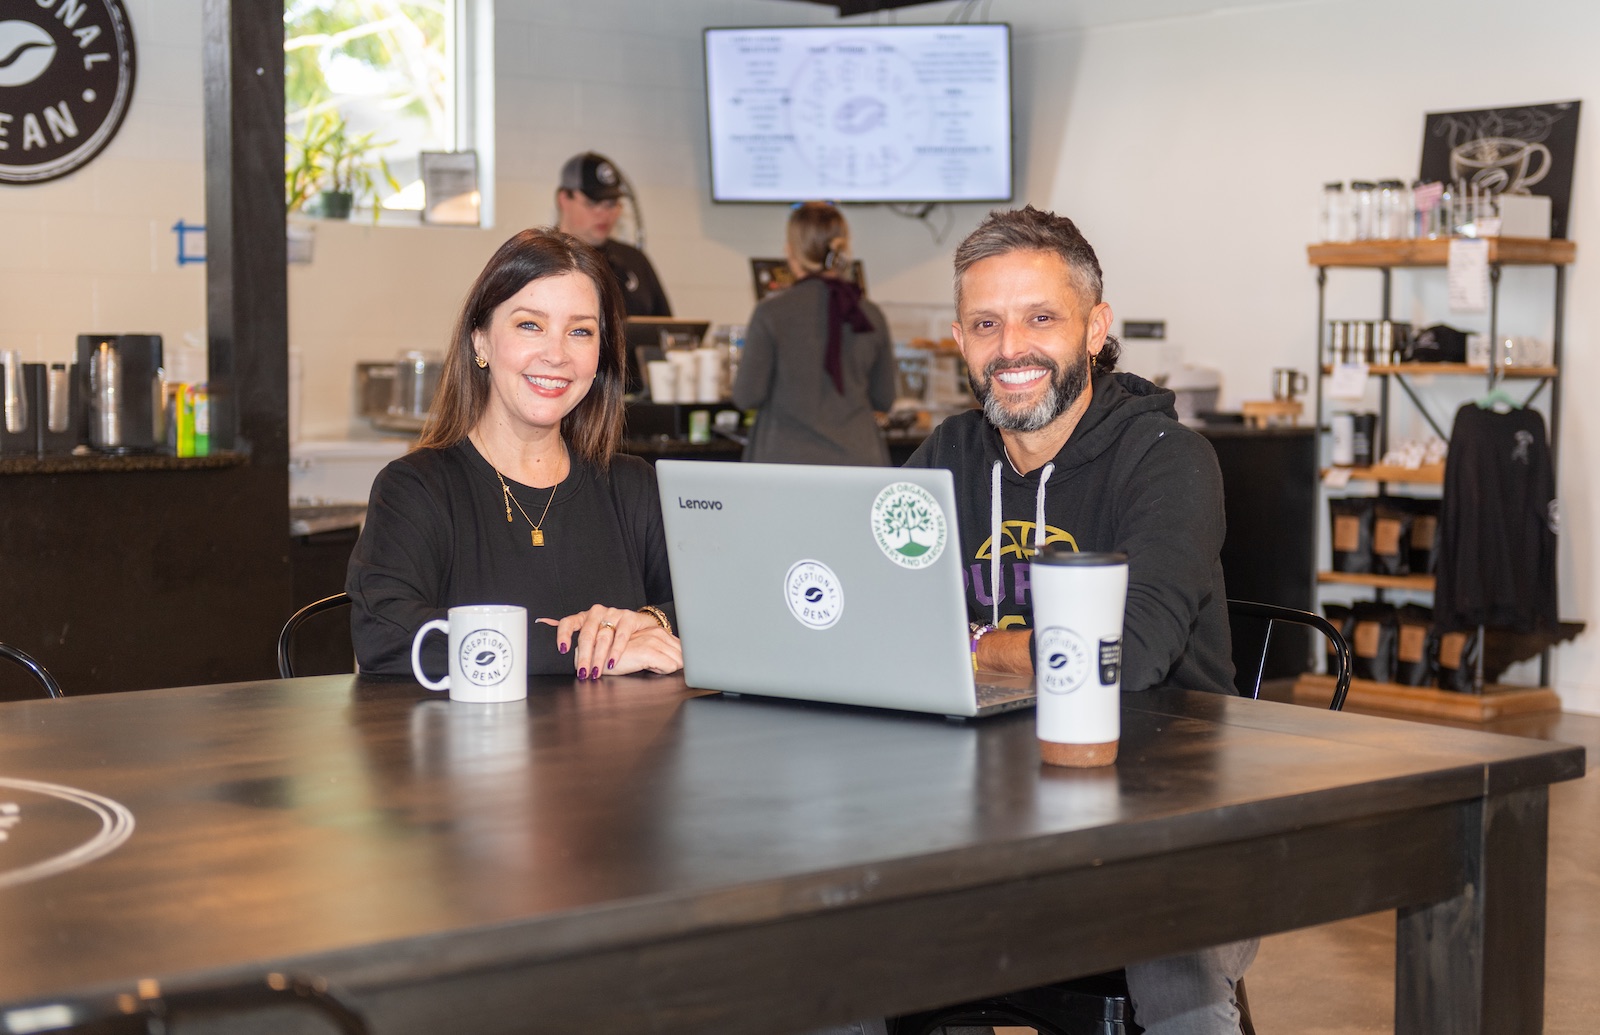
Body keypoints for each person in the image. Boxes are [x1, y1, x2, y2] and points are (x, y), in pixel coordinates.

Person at [899, 206, 1248, 1034]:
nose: (1010, 347)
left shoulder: (1168, 459)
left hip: (1168, 816)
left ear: (1096, 328)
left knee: (1175, 947)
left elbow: (1120, 655)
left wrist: (975, 643)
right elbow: (864, 609)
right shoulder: (947, 457)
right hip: (978, 814)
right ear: (959, 339)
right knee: (815, 945)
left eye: (1040, 318)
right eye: (986, 323)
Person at [347, 228, 682, 683]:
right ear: (480, 341)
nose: (557, 354)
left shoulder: (632, 486)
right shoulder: (415, 488)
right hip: (476, 752)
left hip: (628, 751)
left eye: (580, 331)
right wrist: (583, 651)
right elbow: (386, 636)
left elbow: (710, 608)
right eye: (530, 325)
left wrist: (650, 623)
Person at [731, 201, 897, 465]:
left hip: (785, 465)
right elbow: (884, 398)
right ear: (843, 248)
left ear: (791, 252)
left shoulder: (771, 313)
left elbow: (746, 396)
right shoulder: (869, 315)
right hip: (859, 464)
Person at [554, 151, 672, 317]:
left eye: (612, 204)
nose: (605, 214)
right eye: (593, 203)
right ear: (564, 199)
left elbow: (670, 332)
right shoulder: (541, 259)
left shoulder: (634, 260)